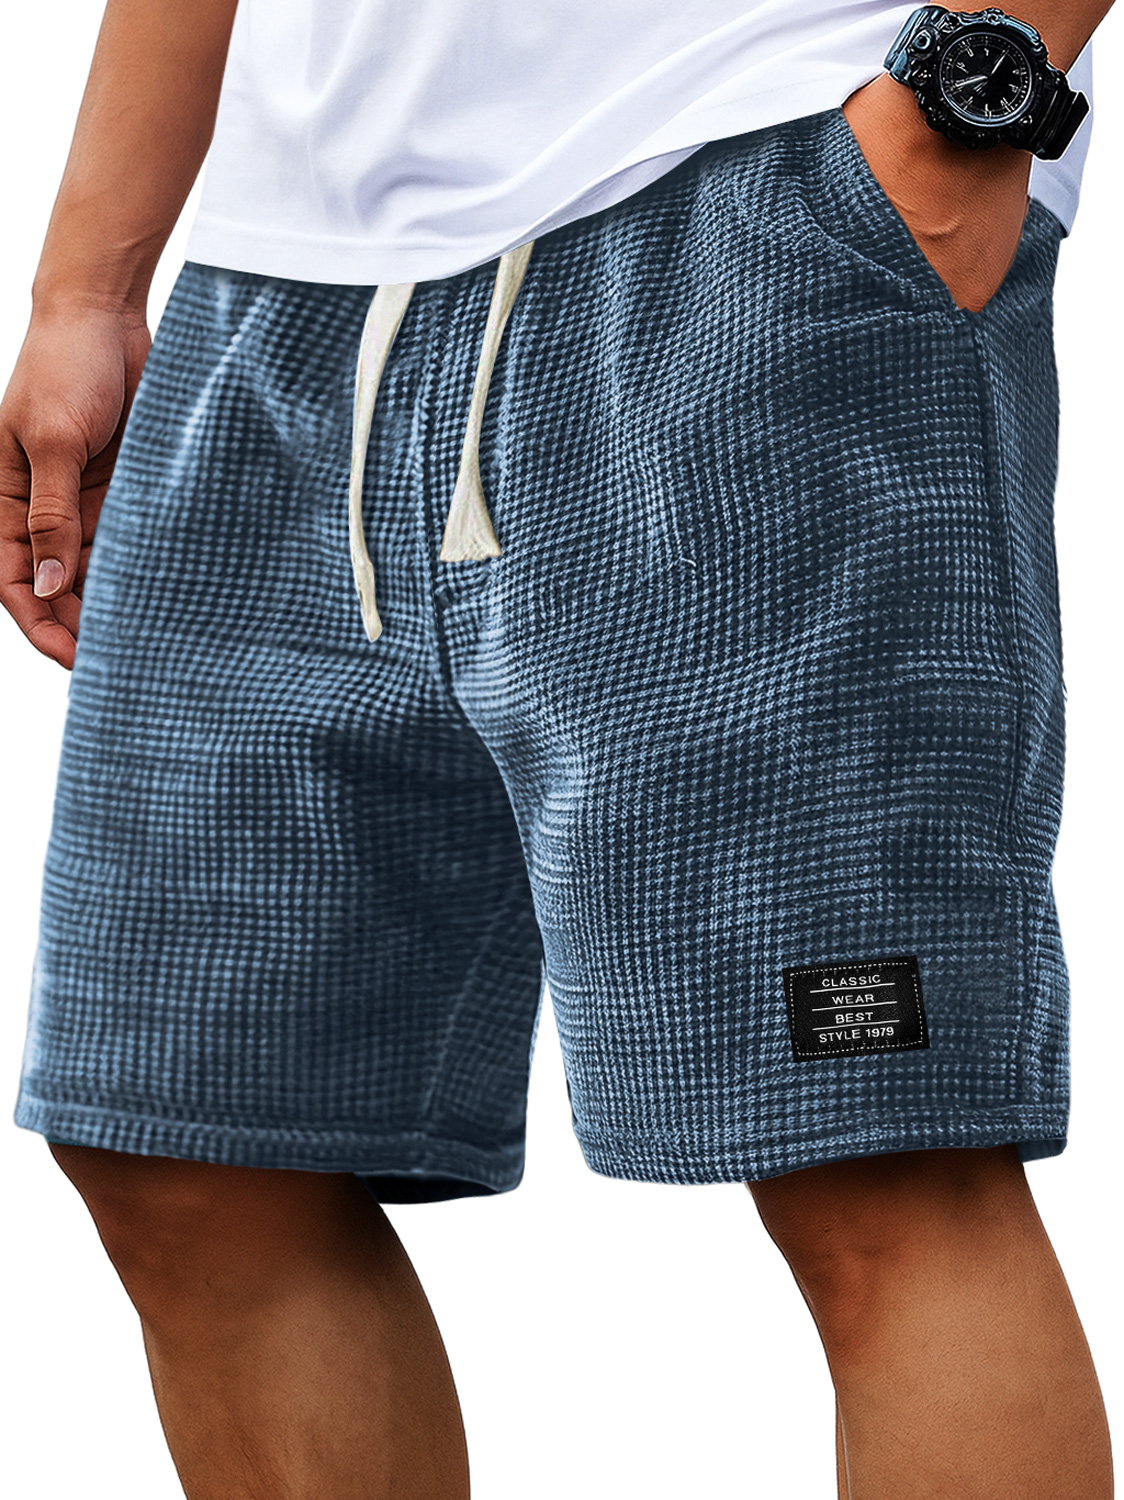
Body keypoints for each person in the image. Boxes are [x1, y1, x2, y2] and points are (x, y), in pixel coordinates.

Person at [1, 1, 1115, 1495]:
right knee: (188, 1136)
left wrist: (966, 96)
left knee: (876, 1148)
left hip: (746, 202)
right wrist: (86, 282)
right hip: (279, 284)